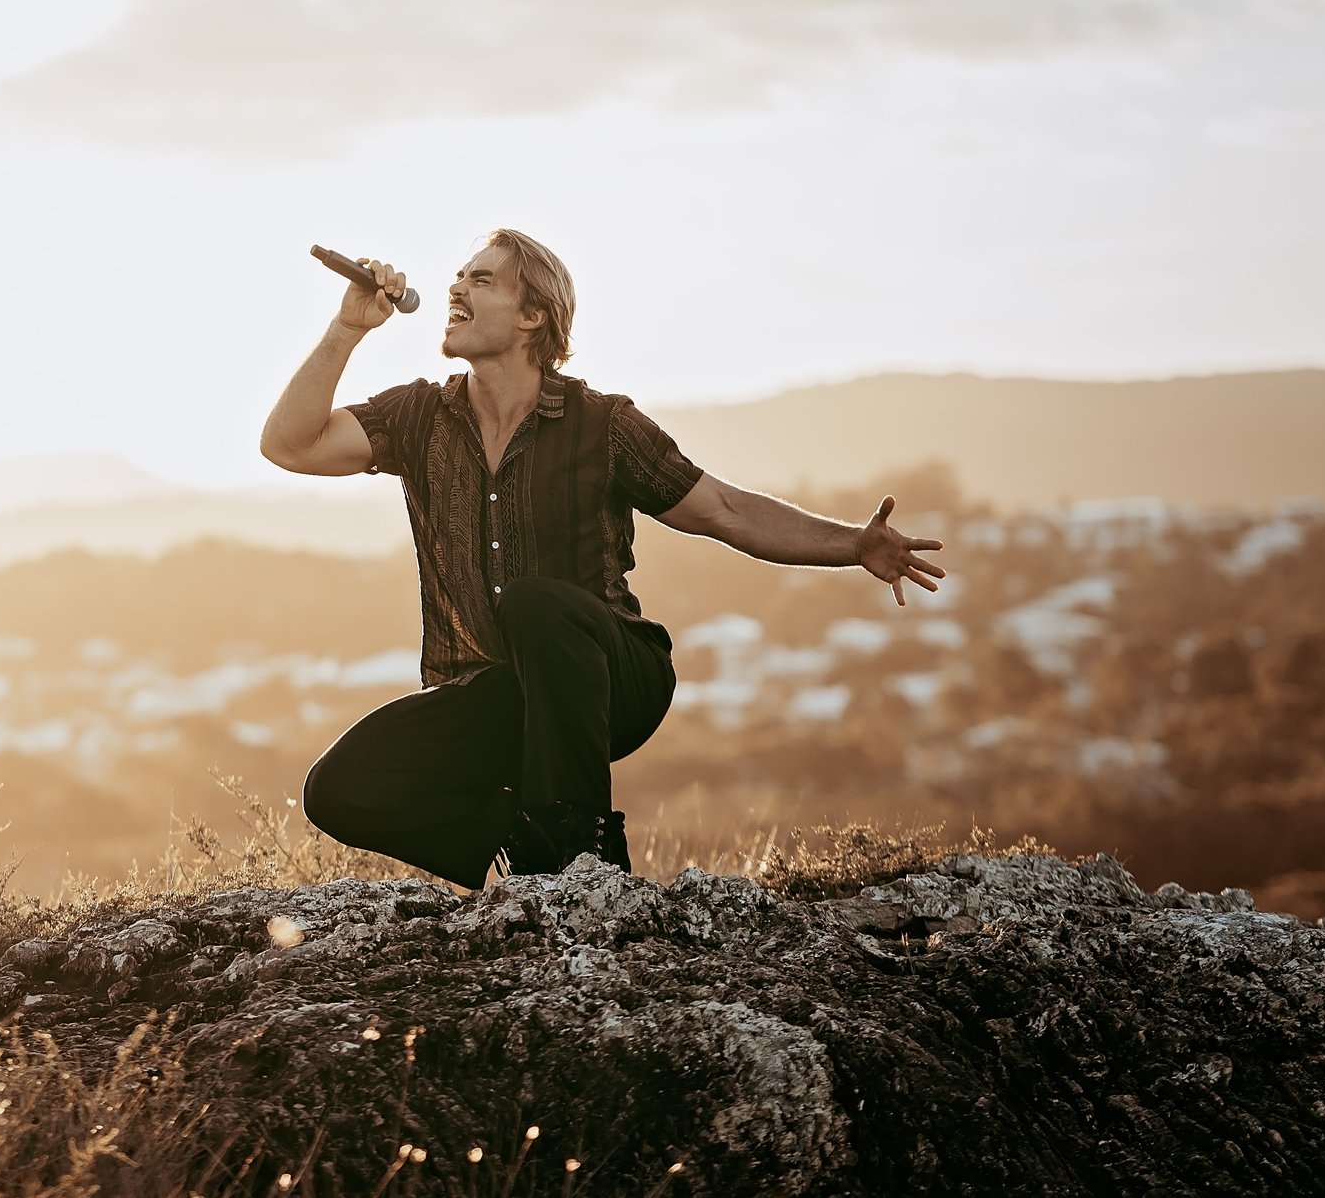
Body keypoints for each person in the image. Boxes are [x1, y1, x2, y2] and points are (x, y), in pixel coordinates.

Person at [259, 229, 946, 886]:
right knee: (339, 788)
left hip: (614, 679)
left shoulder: (603, 425)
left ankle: (584, 850)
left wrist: (852, 543)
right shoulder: (418, 419)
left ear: (533, 315)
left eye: (482, 276)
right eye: (459, 273)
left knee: (533, 601)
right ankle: (525, 837)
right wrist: (348, 328)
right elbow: (290, 444)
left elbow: (724, 511)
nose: (456, 284)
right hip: (503, 696)